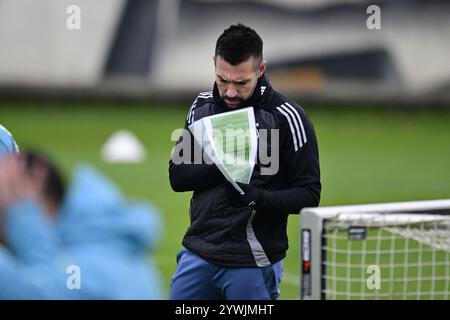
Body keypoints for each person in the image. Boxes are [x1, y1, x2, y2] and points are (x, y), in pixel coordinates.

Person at [169, 23, 321, 300]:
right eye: (222, 79)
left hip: (252, 261)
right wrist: (222, 164)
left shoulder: (287, 117)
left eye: (241, 83)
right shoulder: (201, 107)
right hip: (197, 253)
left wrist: (259, 198)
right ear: (214, 64)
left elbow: (309, 195)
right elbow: (177, 178)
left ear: (260, 70)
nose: (229, 92)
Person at [0, 150, 164, 299]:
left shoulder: (86, 269)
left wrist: (23, 218)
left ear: (34, 182)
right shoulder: (98, 243)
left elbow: (41, 290)